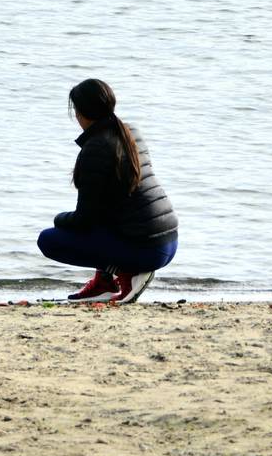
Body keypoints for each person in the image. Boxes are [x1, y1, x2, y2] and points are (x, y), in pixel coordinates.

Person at [37, 79, 178, 303]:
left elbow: (84, 219)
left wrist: (59, 219)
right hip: (168, 240)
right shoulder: (129, 131)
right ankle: (104, 283)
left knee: (49, 240)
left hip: (147, 249)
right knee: (105, 216)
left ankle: (128, 272)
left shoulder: (96, 148)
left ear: (81, 113)